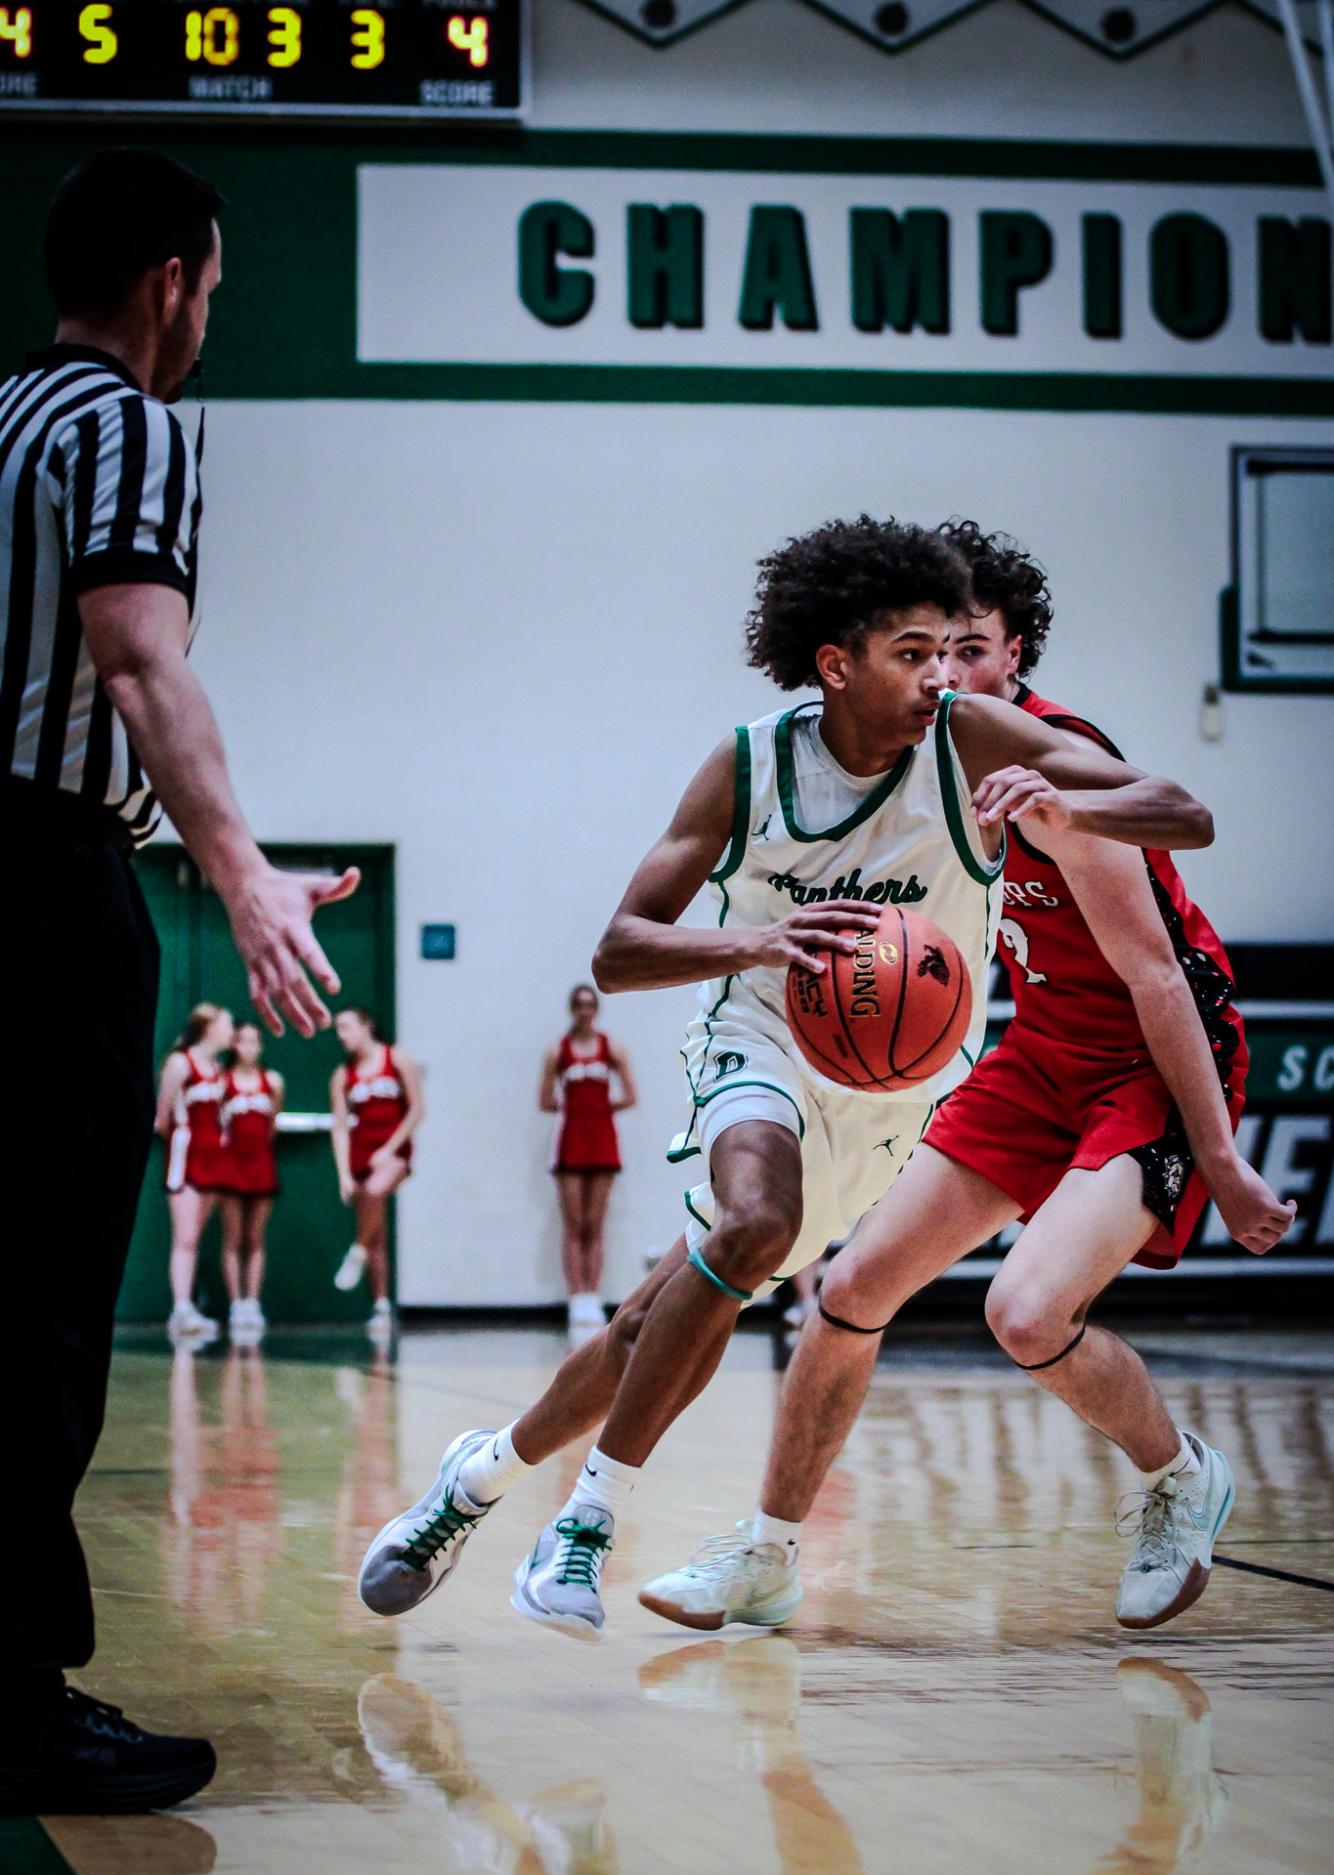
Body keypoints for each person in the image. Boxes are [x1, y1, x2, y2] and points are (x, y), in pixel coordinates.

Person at [357, 516, 1212, 1640]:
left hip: (895, 1093)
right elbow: (617, 950)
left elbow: (1181, 813)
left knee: (650, 1324)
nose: (936, 677)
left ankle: (471, 1484)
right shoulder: (748, 762)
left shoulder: (973, 742)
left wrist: (1060, 807)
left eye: (947, 652)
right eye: (911, 654)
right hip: (759, 1039)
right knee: (757, 1221)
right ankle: (587, 1521)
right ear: (836, 663)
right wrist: (757, 944)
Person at [638, 520, 1295, 1637]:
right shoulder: (913, 762)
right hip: (1035, 1052)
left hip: (1148, 1057)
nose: (947, 678)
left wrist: (1221, 1159)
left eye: (970, 651)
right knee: (849, 1292)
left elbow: (1153, 969)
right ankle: (766, 1554)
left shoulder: (1042, 763)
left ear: (1014, 656)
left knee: (1025, 1309)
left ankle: (1174, 1472)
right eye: (928, 653)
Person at [0, 149, 356, 1816]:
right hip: (36, 881)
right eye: (209, 287)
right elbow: (141, 656)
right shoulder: (121, 422)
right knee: (41, 1290)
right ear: (170, 279)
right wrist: (242, 879)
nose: (205, 314)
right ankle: (12, 1697)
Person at [540, 981, 637, 1336]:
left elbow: (630, 1095)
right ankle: (575, 1296)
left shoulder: (612, 1048)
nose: (585, 1011)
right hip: (570, 1139)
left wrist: (599, 1108)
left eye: (590, 1005)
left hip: (602, 1139)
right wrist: (575, 1109)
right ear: (572, 1009)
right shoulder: (558, 1051)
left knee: (596, 1222)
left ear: (596, 1009)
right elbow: (544, 1100)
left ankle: (593, 1295)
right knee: (574, 1221)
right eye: (579, 1004)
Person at [330, 1008, 424, 1340]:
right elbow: (340, 1126)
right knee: (377, 1234)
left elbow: (416, 1108)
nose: (341, 1034)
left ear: (366, 1025)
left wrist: (390, 1148)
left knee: (373, 1193)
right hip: (361, 1154)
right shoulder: (343, 1075)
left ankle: (355, 1251)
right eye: (337, 1029)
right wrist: (343, 1173)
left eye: (346, 1026)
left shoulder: (397, 1059)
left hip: (394, 1151)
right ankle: (381, 1304)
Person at [156, 1002, 235, 1345]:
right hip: (186, 1157)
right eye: (227, 1024)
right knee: (184, 1237)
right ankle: (182, 1308)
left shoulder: (218, 1068)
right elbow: (162, 1119)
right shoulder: (179, 1062)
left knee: (197, 1237)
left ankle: (189, 1307)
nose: (231, 1031)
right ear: (208, 1026)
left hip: (214, 1157)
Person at [219, 1019, 283, 1343]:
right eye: (243, 1040)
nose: (249, 1047)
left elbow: (271, 1126)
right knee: (233, 1237)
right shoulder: (223, 1082)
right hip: (230, 1166)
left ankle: (252, 1303)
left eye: (255, 1041)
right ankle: (235, 1304)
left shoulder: (272, 1082)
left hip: (261, 1165)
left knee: (255, 1238)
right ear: (233, 1045)